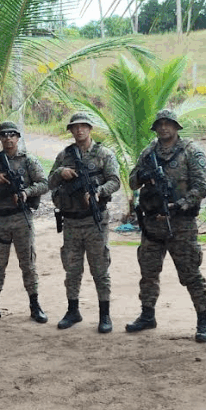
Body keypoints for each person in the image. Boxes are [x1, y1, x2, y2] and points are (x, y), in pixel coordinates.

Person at [125, 109, 206, 340]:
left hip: (181, 223)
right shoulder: (149, 152)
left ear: (176, 127)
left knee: (190, 272)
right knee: (149, 272)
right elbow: (132, 181)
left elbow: (202, 187)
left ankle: (204, 320)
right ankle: (147, 315)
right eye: (160, 124)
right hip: (152, 224)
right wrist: (144, 176)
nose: (164, 127)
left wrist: (180, 205)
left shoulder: (190, 151)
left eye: (168, 123)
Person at [48, 112, 121, 333]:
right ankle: (73, 311)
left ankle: (104, 314)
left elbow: (115, 181)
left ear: (90, 129)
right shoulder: (64, 155)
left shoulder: (104, 154)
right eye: (75, 127)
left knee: (100, 268)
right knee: (72, 269)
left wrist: (99, 191)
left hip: (94, 221)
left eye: (83, 126)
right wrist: (62, 172)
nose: (79, 130)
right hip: (71, 222)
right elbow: (50, 182)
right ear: (71, 131)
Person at [0, 121, 49, 324]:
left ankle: (35, 305)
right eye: (4, 135)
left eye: (12, 135)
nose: (8, 138)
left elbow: (44, 183)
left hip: (21, 218)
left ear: (18, 137)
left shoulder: (28, 160)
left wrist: (26, 193)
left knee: (28, 264)